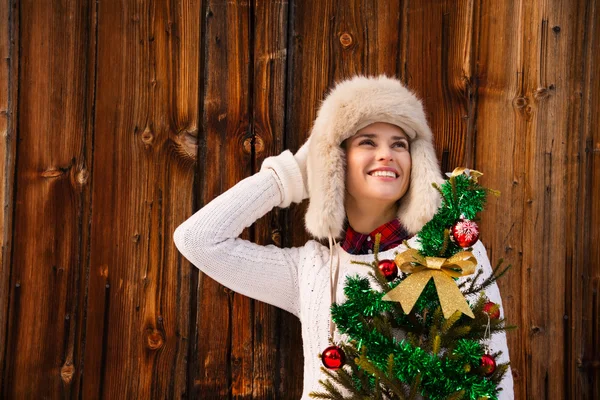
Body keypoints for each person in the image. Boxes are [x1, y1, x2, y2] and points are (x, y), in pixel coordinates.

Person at [173, 75, 514, 399]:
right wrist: (297, 173)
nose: (387, 154)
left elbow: (492, 379)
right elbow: (198, 239)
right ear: (335, 161)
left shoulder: (446, 254)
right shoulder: (309, 271)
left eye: (400, 144)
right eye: (368, 141)